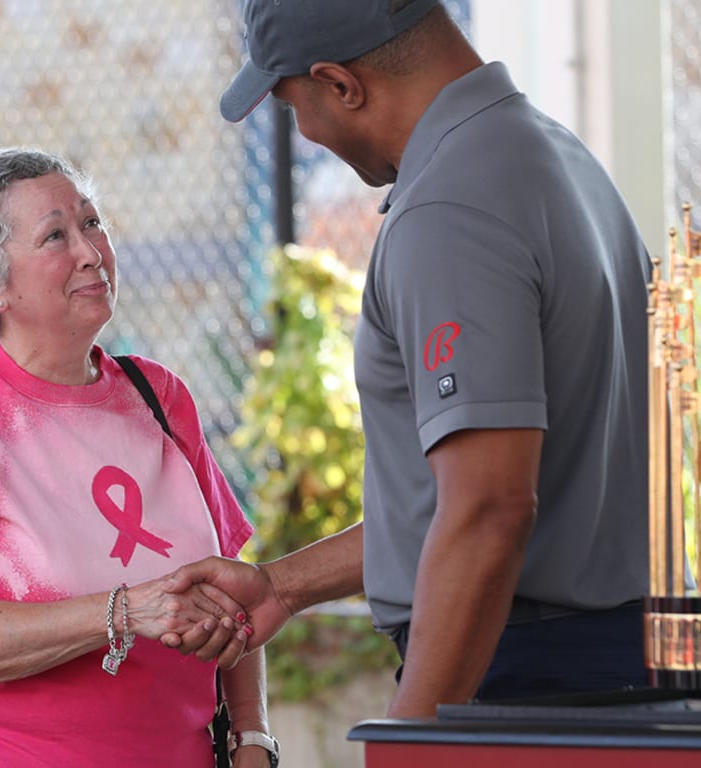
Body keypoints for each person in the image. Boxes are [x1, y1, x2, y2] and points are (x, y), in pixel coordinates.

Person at [165, 0, 652, 717]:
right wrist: (283, 586)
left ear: (341, 84)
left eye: (292, 103)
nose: (303, 131)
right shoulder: (554, 155)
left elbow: (490, 508)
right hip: (603, 659)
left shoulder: (449, 209)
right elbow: (469, 488)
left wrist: (414, 738)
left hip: (519, 674)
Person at [0, 147, 277, 767]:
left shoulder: (160, 396)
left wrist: (251, 735)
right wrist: (123, 611)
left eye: (92, 223)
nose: (92, 253)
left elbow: (233, 583)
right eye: (54, 236)